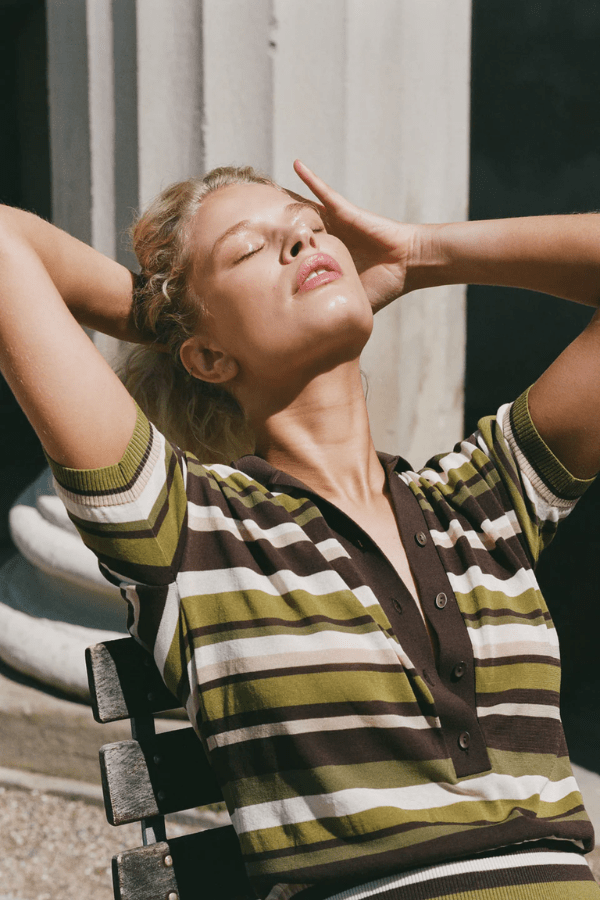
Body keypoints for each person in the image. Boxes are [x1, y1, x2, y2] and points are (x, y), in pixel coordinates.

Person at [1, 160, 600, 900]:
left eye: (312, 230)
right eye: (251, 249)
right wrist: (162, 317)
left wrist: (420, 252)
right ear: (208, 356)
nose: (299, 242)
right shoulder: (192, 530)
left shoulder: (479, 504)